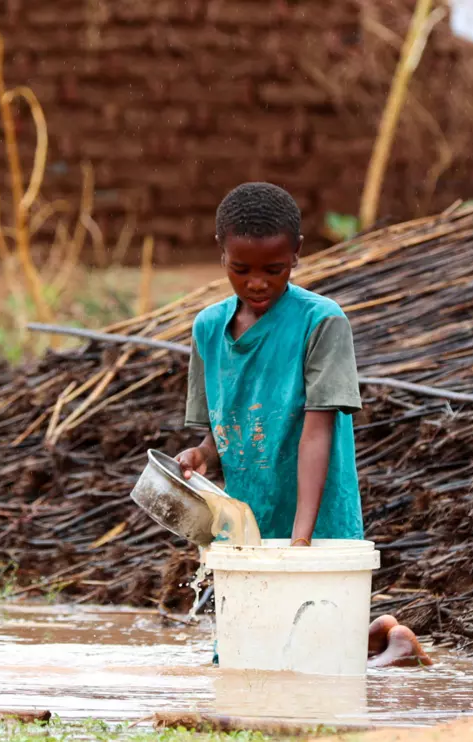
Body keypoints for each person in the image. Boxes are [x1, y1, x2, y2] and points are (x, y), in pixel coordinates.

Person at [175, 182, 431, 668]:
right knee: (245, 656)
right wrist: (201, 456)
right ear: (221, 255)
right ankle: (380, 638)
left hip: (316, 508)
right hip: (250, 513)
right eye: (240, 269)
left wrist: (301, 540)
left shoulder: (321, 322)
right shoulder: (208, 328)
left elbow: (319, 429)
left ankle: (389, 646)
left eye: (274, 270)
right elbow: (223, 425)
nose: (256, 283)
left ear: (296, 256)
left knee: (312, 659)